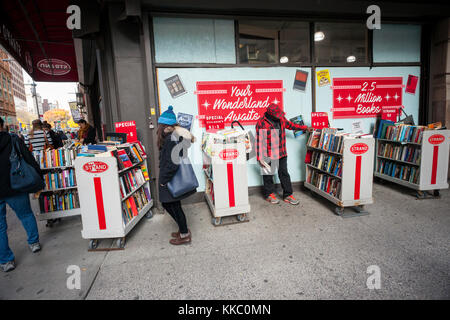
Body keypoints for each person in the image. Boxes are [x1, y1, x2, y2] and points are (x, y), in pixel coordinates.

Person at [0, 117, 42, 272]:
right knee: (25, 214)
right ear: (2, 126)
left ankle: (6, 261)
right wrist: (38, 176)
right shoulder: (12, 139)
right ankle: (34, 243)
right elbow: (28, 158)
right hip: (15, 185)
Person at [256, 103, 312, 205]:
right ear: (271, 114)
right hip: (268, 153)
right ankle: (269, 194)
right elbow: (260, 141)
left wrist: (305, 128)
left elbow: (291, 125)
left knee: (284, 174)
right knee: (268, 175)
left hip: (281, 152)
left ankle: (288, 195)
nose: (280, 116)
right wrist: (260, 157)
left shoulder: (281, 118)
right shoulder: (262, 123)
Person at [157, 106, 196, 245]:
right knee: (174, 205)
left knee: (170, 205)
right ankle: (183, 229)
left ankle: (184, 233)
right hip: (170, 177)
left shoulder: (170, 140)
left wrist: (163, 181)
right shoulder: (175, 137)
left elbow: (173, 163)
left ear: (163, 126)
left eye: (159, 125)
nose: (158, 128)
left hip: (169, 178)